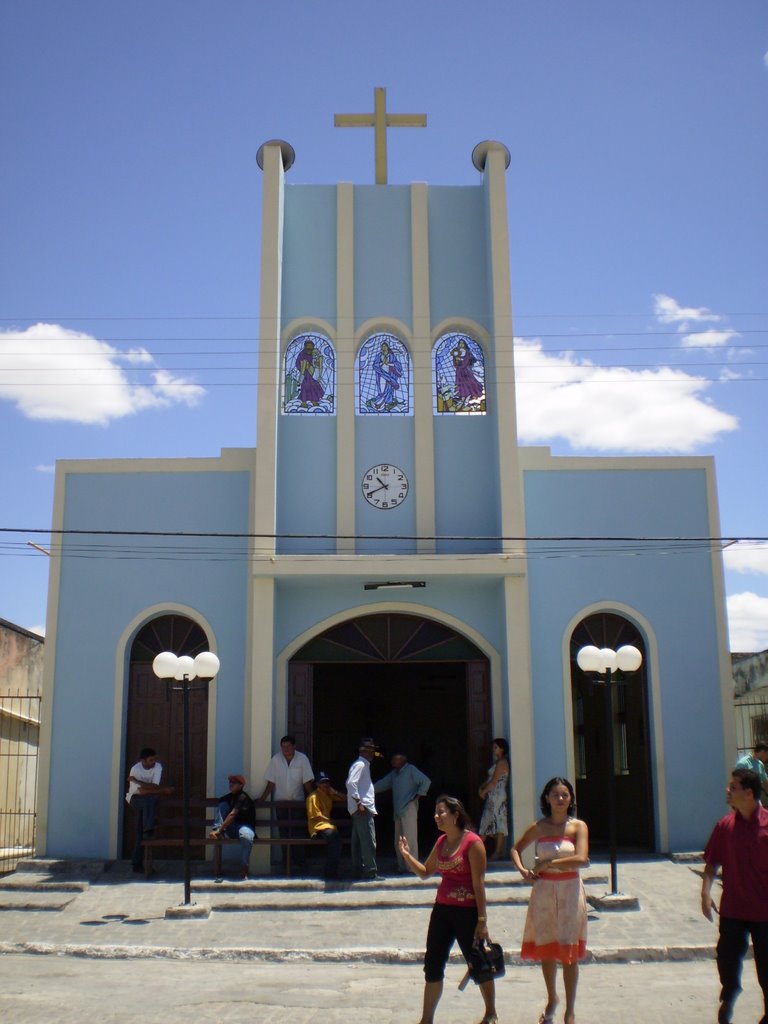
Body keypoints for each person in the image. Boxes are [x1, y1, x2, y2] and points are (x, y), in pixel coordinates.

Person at [399, 795, 497, 1024]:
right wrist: (407, 856)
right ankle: (427, 1019)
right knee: (433, 964)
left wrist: (482, 920)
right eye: (435, 812)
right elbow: (425, 872)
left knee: (478, 962)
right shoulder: (442, 842)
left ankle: (491, 1012)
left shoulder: (473, 843)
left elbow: (478, 884)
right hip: (442, 911)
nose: (436, 816)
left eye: (441, 812)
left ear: (455, 815)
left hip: (467, 913)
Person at [510, 777, 589, 1024]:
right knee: (547, 948)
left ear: (571, 798)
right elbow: (516, 848)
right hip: (544, 892)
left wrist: (549, 863)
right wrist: (523, 870)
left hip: (570, 891)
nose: (561, 799)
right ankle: (552, 997)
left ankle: (570, 1009)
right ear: (547, 798)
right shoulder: (539, 827)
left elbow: (581, 859)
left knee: (569, 951)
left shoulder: (578, 827)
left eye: (565, 794)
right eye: (556, 794)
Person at [702, 767, 768, 1024]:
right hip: (733, 909)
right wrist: (705, 892)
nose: (727, 791)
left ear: (748, 793)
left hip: (764, 913)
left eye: (733, 787)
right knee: (727, 958)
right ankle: (729, 993)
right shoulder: (725, 826)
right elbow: (711, 862)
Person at [259, 734, 315, 872]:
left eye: (288, 746)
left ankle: (301, 863)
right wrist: (262, 798)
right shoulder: (276, 760)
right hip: (281, 803)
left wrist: (314, 798)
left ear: (294, 746)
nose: (286, 749)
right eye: (283, 747)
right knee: (283, 834)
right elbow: (271, 782)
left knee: (298, 834)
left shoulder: (302, 759)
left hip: (298, 803)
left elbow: (307, 781)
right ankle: (287, 863)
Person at [375, 751, 431, 872]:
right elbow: (382, 784)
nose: (392, 762)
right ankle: (402, 866)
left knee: (410, 839)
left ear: (402, 760)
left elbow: (426, 781)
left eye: (394, 759)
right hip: (398, 810)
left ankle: (412, 867)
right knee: (398, 841)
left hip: (408, 808)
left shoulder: (411, 769)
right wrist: (366, 790)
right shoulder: (394, 774)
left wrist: (418, 795)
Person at [125, 746, 174, 874]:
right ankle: (149, 829)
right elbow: (140, 792)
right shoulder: (135, 769)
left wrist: (138, 781)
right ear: (143, 761)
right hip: (135, 799)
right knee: (148, 800)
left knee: (141, 830)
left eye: (154, 760)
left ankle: (147, 831)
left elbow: (154, 786)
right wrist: (162, 790)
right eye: (151, 760)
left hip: (150, 800)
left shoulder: (158, 767)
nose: (153, 763)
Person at [346, 737, 382, 880]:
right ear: (364, 751)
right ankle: (370, 872)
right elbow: (350, 783)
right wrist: (359, 803)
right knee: (368, 841)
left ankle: (357, 871)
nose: (373, 753)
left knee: (358, 842)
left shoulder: (362, 765)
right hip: (362, 808)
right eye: (371, 750)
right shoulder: (360, 764)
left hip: (359, 808)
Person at [210, 773, 256, 880]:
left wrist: (222, 829)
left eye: (234, 783)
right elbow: (223, 808)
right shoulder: (227, 798)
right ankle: (218, 832)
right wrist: (220, 829)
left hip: (245, 827)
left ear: (241, 785)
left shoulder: (243, 797)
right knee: (222, 803)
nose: (231, 784)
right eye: (230, 782)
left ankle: (244, 868)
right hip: (232, 829)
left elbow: (233, 814)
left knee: (246, 836)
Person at [306, 771, 345, 880]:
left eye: (327, 782)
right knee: (335, 838)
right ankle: (330, 873)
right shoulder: (313, 797)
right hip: (318, 827)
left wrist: (335, 792)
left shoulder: (328, 794)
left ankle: (331, 872)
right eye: (322, 782)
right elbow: (315, 816)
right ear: (317, 784)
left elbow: (345, 799)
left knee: (336, 839)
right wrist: (330, 821)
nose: (325, 785)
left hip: (328, 826)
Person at [478, 738, 509, 861]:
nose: (494, 749)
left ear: (502, 748)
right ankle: (496, 851)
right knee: (494, 821)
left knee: (491, 821)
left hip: (497, 795)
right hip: (494, 795)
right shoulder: (498, 762)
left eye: (496, 747)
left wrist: (483, 792)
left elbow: (494, 781)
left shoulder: (502, 762)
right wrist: (482, 788)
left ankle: (496, 851)